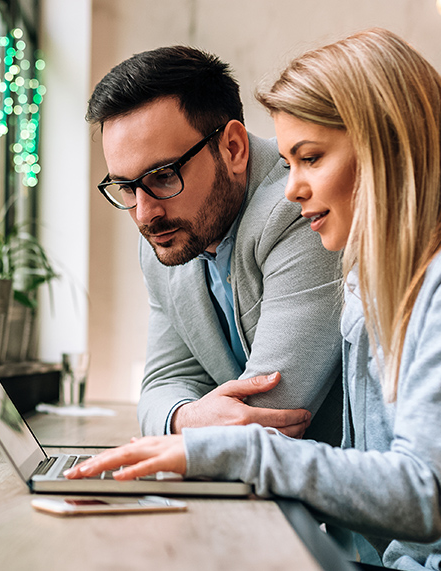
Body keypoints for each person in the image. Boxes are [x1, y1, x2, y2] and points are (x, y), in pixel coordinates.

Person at [68, 29, 441, 570]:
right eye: (291, 161)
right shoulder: (378, 276)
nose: (292, 188)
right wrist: (192, 435)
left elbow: (425, 493)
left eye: (311, 158)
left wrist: (212, 452)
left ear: (386, 149)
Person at [86, 46, 345, 444]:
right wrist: (185, 418)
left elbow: (269, 413)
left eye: (164, 176)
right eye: (126, 187)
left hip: (332, 493)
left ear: (233, 149)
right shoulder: (169, 236)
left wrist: (187, 423)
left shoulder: (305, 209)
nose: (143, 214)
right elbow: (163, 383)